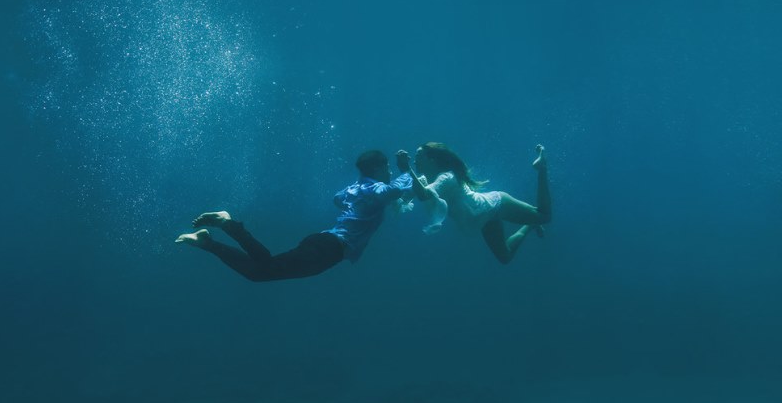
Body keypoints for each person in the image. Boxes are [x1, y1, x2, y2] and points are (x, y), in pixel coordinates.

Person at [175, 150, 413, 282]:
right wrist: (406, 171)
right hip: (330, 248)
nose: (389, 172)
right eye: (387, 169)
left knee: (261, 271)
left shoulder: (356, 189)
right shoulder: (372, 190)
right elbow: (390, 191)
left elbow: (338, 198)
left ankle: (209, 240)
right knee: (263, 269)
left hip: (326, 245)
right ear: (377, 169)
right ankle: (225, 224)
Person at [396, 142, 551, 264]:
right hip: (482, 219)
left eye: (418, 156)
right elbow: (407, 194)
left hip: (493, 205)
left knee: (544, 215)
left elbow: (423, 195)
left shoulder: (446, 177)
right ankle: (531, 224)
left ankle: (542, 167)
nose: (414, 160)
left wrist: (406, 168)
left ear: (432, 160)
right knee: (505, 257)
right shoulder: (424, 180)